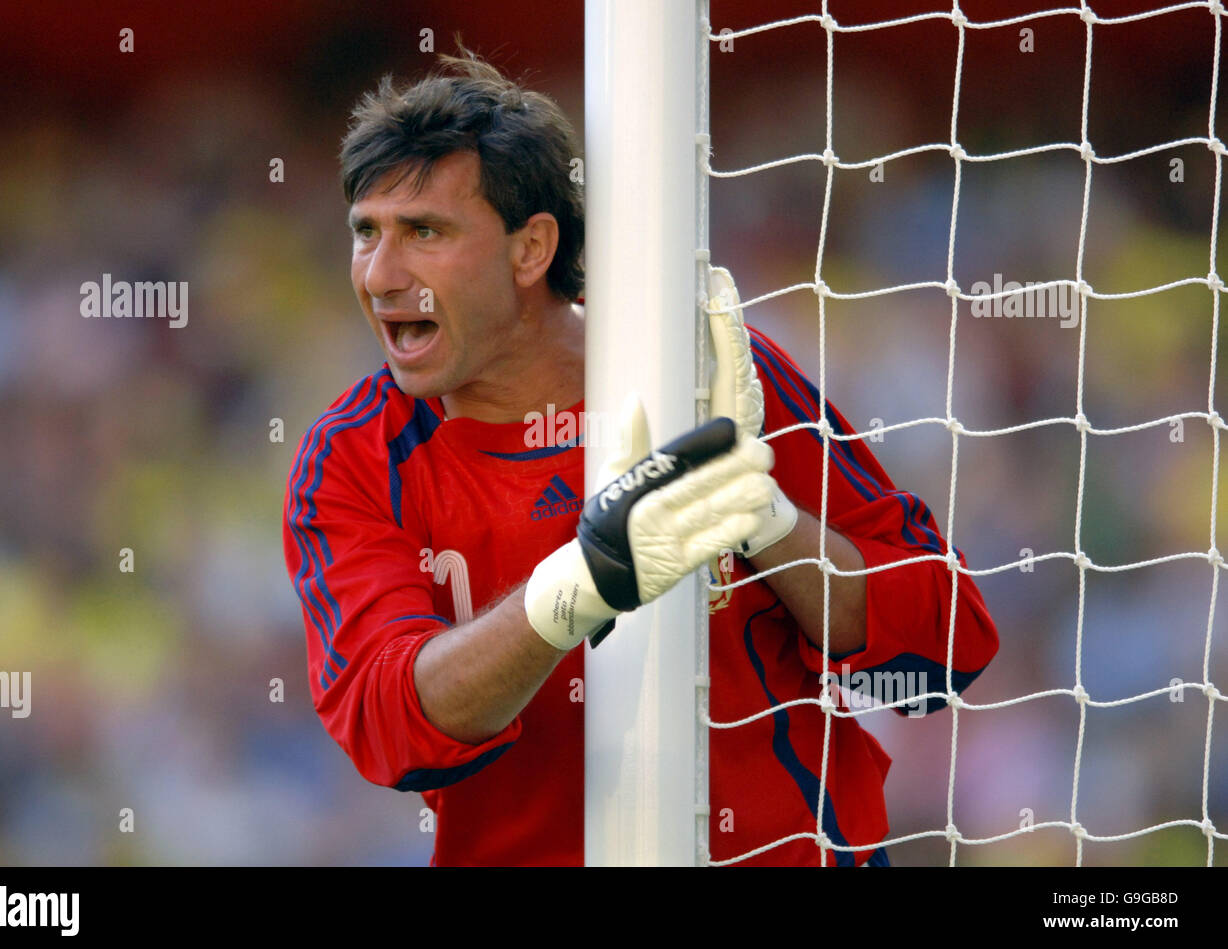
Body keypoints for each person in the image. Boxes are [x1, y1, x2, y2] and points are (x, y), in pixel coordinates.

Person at [282, 51, 1000, 866]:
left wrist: (761, 516)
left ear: (531, 249)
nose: (379, 274)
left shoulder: (704, 377)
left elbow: (950, 645)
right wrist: (577, 589)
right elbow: (388, 728)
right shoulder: (347, 460)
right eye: (365, 233)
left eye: (424, 233)